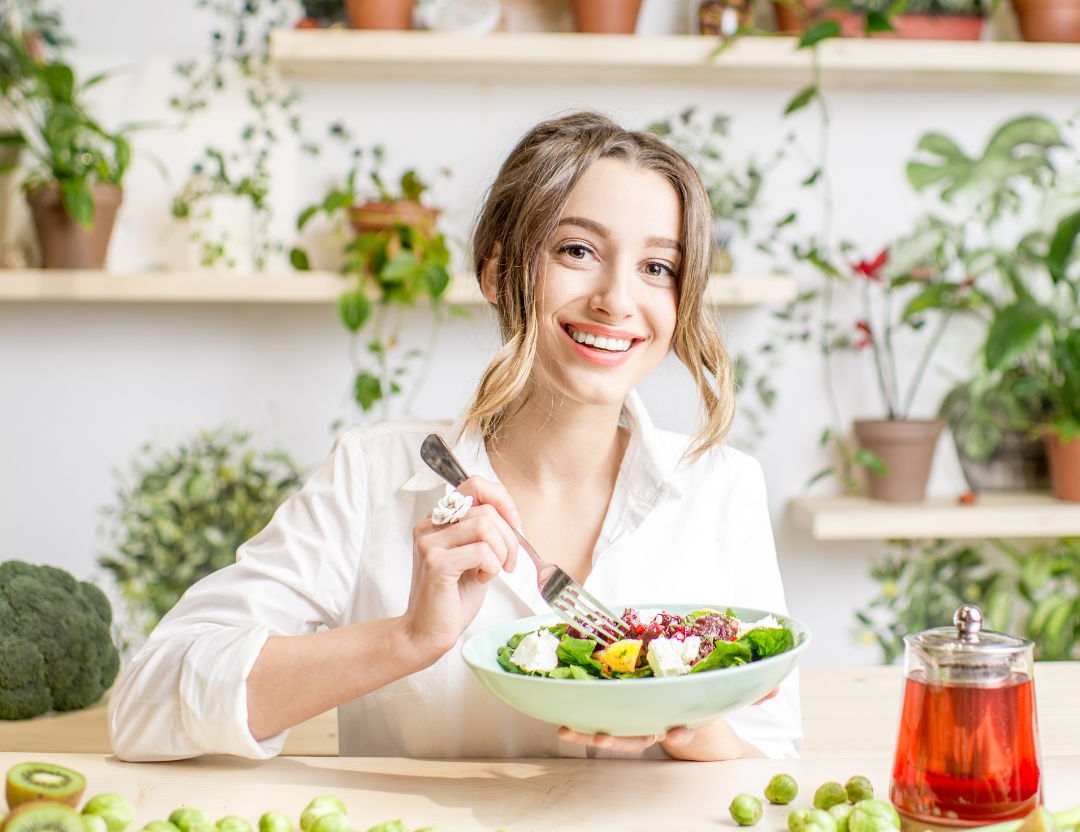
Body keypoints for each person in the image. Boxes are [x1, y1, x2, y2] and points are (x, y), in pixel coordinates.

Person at [108, 111, 801, 762]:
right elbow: (147, 702)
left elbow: (770, 761)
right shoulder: (373, 474)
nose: (617, 299)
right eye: (578, 250)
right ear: (500, 275)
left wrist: (692, 716)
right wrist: (407, 640)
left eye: (658, 267)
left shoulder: (722, 486)